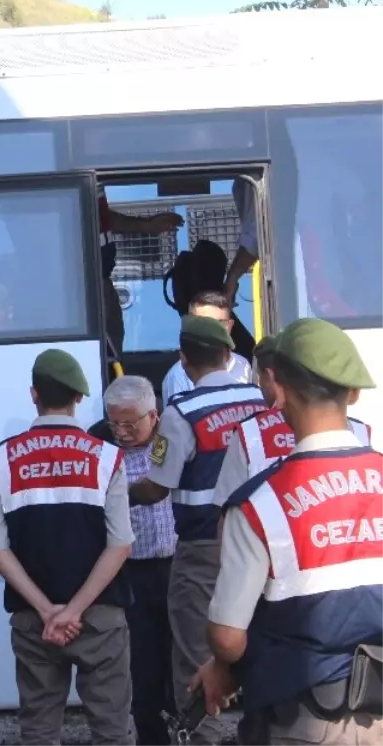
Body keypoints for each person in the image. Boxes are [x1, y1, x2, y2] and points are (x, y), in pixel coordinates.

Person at [192, 318, 383, 743]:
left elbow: (227, 637)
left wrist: (223, 666)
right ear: (352, 392)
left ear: (277, 387)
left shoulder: (258, 506)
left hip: (306, 716)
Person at [128, 316, 267, 746]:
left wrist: (118, 492)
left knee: (195, 652)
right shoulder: (263, 402)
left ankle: (206, 738)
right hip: (265, 543)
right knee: (261, 640)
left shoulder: (181, 412)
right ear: (230, 355)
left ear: (184, 360)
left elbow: (156, 487)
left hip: (203, 549)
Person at [0, 350, 133, 746]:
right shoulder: (108, 457)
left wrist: (48, 609)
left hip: (34, 620)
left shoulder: (0, 459)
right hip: (99, 617)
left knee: (38, 730)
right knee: (113, 730)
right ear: (79, 398)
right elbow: (120, 544)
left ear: (34, 394)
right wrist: (75, 610)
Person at [213, 333, 374, 508]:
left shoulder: (249, 433)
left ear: (271, 377)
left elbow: (225, 509)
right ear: (353, 393)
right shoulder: (360, 431)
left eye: (260, 378)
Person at [102, 376, 175, 746]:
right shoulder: (102, 451)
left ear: (154, 415)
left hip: (177, 570)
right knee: (141, 668)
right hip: (132, 574)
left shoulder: (171, 442)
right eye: (116, 422)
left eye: (131, 423)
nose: (122, 431)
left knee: (180, 663)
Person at [97, 186, 183, 357]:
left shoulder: (94, 186)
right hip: (90, 283)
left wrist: (148, 226)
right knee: (107, 353)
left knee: (113, 347)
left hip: (103, 278)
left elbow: (102, 216)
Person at [160, 291, 254, 402]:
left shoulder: (243, 366)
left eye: (219, 323)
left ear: (230, 325)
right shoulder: (177, 377)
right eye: (204, 324)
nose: (212, 331)